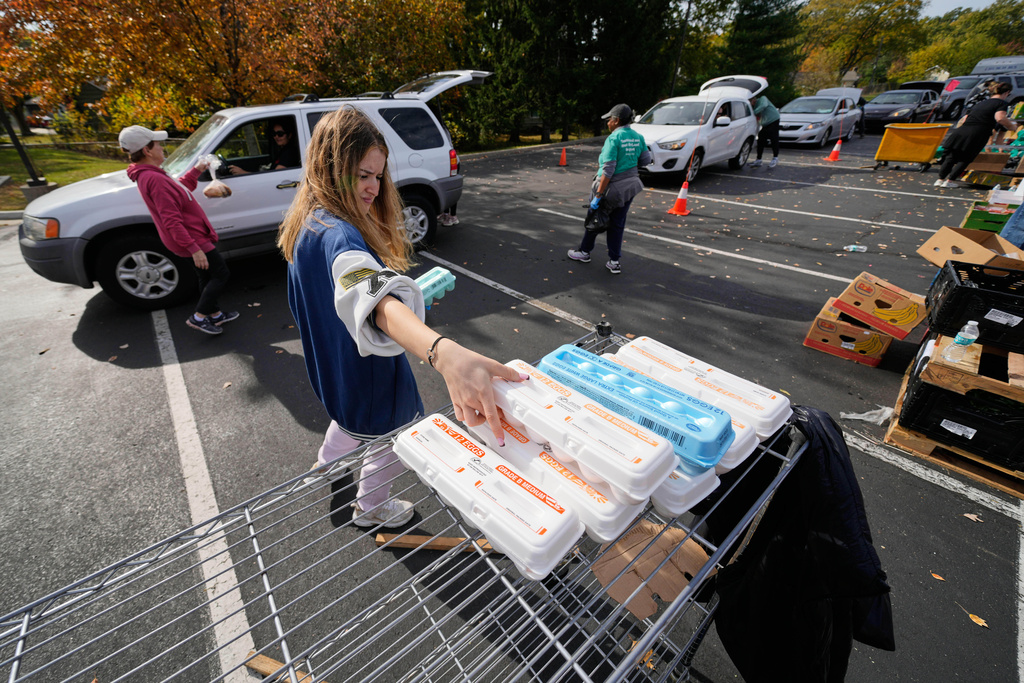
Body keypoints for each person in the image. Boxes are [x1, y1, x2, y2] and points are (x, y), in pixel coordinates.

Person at [277, 107, 527, 528]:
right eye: (362, 175)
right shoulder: (341, 235)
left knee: (348, 421)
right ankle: (370, 509)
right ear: (329, 167)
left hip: (334, 370)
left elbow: (354, 293)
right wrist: (444, 353)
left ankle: (327, 465)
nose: (374, 187)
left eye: (378, 175)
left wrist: (407, 296)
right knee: (398, 440)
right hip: (373, 378)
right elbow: (369, 294)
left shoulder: (309, 220)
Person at [119, 125, 239, 336]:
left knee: (205, 277)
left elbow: (179, 190)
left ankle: (216, 315)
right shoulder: (154, 179)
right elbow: (171, 221)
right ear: (147, 151)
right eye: (157, 145)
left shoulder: (151, 174)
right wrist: (194, 248)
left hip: (190, 237)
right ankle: (199, 317)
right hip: (192, 238)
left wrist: (198, 169)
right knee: (221, 273)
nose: (161, 148)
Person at [567, 103, 651, 274]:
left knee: (595, 218)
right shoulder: (638, 137)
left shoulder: (613, 139)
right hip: (630, 188)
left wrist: (598, 195)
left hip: (611, 188)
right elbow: (645, 161)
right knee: (617, 224)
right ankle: (614, 262)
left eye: (609, 120)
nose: (607, 123)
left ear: (617, 120)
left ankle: (584, 252)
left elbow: (608, 170)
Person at [934, 81, 1019, 188]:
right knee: (965, 158)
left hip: (962, 130)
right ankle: (949, 181)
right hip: (978, 133)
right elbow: (1000, 118)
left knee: (951, 156)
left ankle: (940, 179)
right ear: (1007, 92)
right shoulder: (1001, 103)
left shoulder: (981, 103)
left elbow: (965, 118)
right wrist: (1012, 127)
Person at [229, 119, 301, 175]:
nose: (276, 137)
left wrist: (243, 173)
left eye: (280, 134)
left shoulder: (290, 153)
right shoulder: (283, 150)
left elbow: (276, 176)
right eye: (274, 134)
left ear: (289, 135)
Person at [749, 94, 781, 168]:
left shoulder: (763, 99)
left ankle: (775, 158)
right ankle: (759, 159)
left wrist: (754, 112)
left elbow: (764, 105)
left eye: (751, 102)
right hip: (766, 123)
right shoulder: (755, 107)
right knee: (761, 138)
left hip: (773, 120)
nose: (752, 104)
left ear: (754, 99)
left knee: (774, 139)